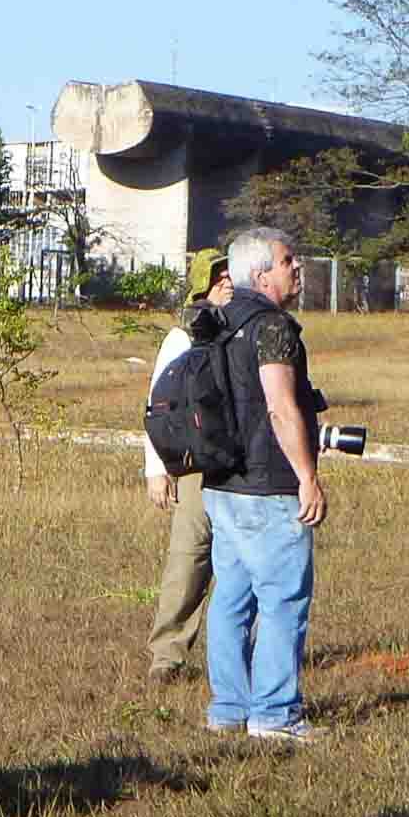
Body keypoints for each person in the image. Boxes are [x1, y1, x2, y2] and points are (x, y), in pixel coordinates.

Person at [203, 226, 329, 744]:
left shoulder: (213, 323)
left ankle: (229, 708)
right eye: (288, 260)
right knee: (282, 601)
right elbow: (279, 405)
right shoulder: (273, 328)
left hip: (220, 484)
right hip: (267, 486)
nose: (297, 267)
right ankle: (276, 714)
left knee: (230, 598)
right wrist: (307, 477)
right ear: (261, 274)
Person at [143, 248, 234, 681]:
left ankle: (236, 655)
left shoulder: (247, 327)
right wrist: (156, 469)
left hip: (239, 460)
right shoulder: (182, 336)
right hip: (196, 464)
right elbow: (158, 406)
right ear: (202, 284)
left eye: (232, 276)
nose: (227, 284)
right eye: (218, 278)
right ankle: (167, 656)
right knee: (189, 559)